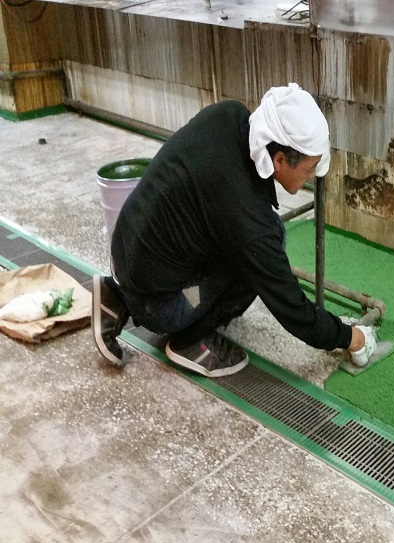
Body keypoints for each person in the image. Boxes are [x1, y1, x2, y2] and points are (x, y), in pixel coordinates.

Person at [92, 83, 376, 377]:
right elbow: (295, 312)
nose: (312, 175)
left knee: (259, 239)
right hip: (163, 303)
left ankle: (116, 297)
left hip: (125, 254)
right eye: (309, 167)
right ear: (279, 159)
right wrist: (351, 337)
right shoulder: (247, 216)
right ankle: (191, 339)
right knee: (255, 263)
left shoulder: (228, 115)